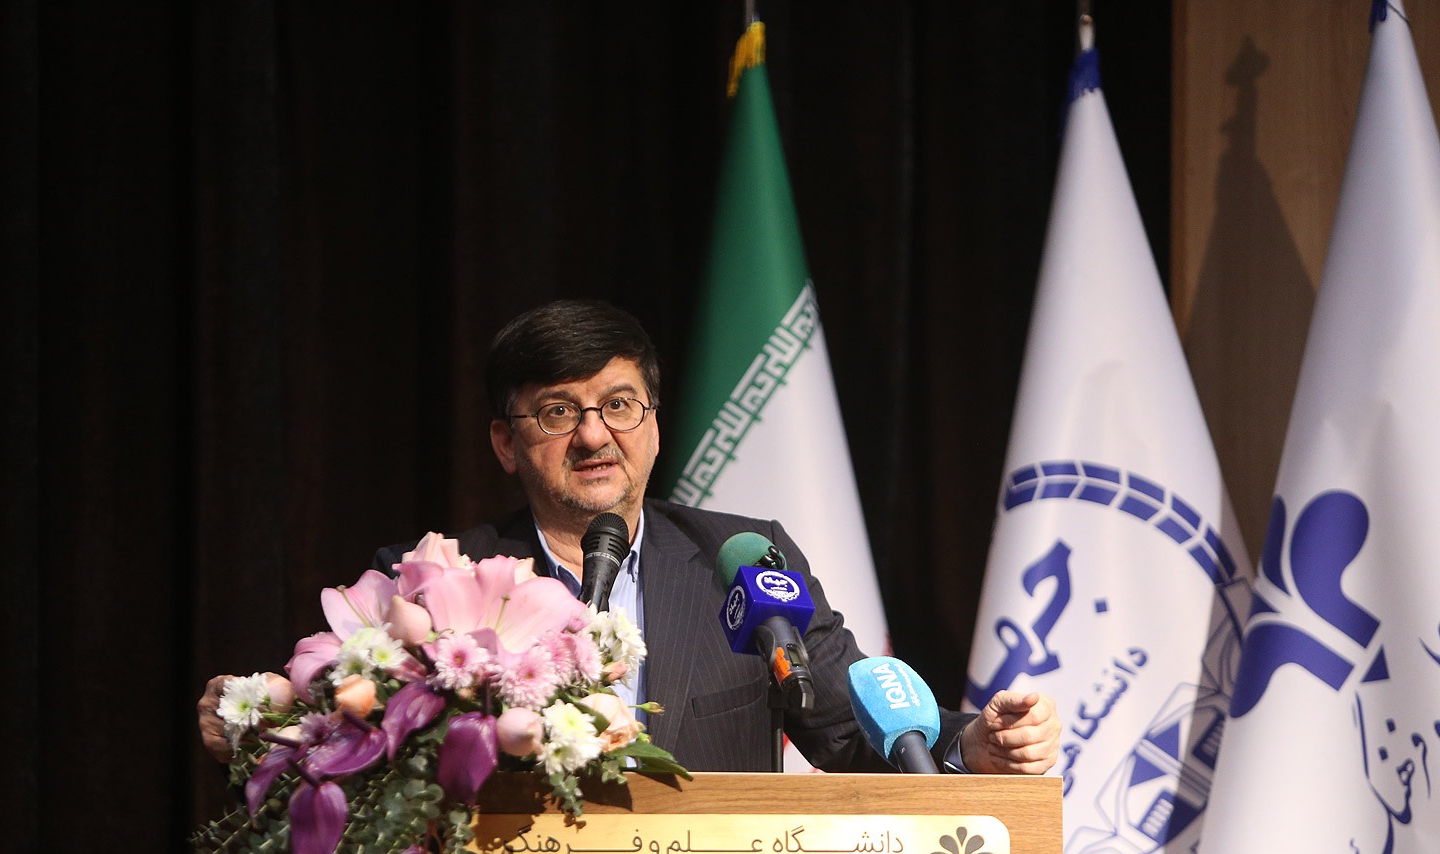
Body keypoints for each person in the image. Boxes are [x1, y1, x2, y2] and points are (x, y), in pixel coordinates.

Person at [199, 299, 1059, 775]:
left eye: (618, 405)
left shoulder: (745, 562)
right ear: (505, 442)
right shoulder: (433, 580)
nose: (593, 435)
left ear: (651, 422)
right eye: (556, 411)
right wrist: (264, 717)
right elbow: (356, 737)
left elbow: (844, 723)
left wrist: (970, 745)